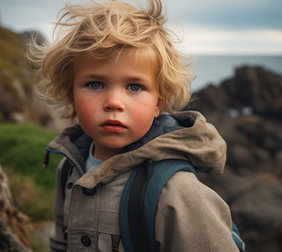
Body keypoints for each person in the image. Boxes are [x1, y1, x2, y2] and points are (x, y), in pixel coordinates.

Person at [32, 0, 238, 251]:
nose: (113, 102)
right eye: (95, 84)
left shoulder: (175, 192)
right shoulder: (69, 168)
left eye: (134, 87)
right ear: (70, 93)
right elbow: (61, 241)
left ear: (158, 102)